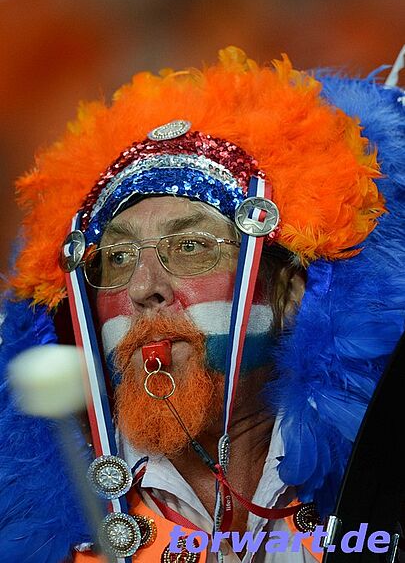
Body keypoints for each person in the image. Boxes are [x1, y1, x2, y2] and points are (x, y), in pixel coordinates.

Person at [0, 47, 404, 563]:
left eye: (190, 247)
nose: (143, 287)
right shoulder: (37, 530)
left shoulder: (388, 475)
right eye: (117, 258)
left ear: (292, 293)